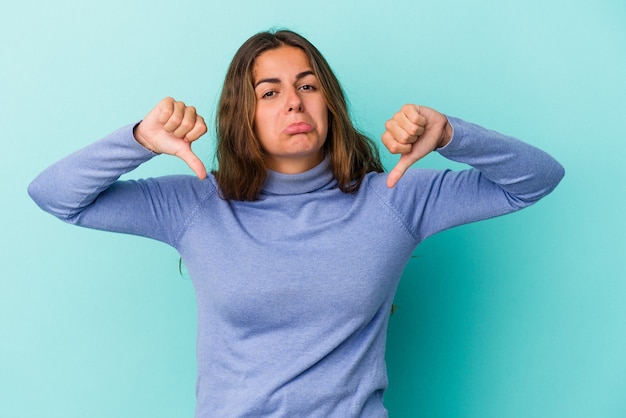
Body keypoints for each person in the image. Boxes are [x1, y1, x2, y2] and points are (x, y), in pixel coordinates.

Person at [28, 29, 564, 417]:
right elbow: (55, 196)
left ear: (328, 103)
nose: (293, 102)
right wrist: (139, 140)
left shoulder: (396, 198)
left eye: (308, 86)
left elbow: (538, 179)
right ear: (244, 113)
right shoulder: (196, 204)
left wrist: (451, 134)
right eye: (270, 91)